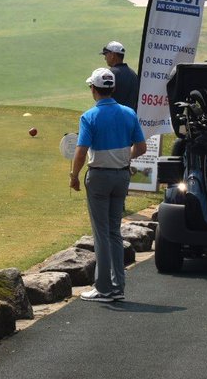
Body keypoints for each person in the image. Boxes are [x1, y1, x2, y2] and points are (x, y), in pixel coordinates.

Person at [69, 67, 147, 302]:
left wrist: (73, 175)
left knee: (101, 233)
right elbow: (141, 148)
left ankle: (103, 287)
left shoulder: (89, 116)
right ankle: (117, 286)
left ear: (94, 89)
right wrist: (124, 158)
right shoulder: (128, 113)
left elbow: (81, 151)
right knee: (114, 231)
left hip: (100, 178)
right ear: (112, 88)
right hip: (121, 177)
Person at [101, 41, 139, 111]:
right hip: (129, 118)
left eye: (106, 54)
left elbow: (103, 99)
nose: (105, 58)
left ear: (112, 55)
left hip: (113, 117)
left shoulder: (110, 75)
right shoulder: (134, 75)